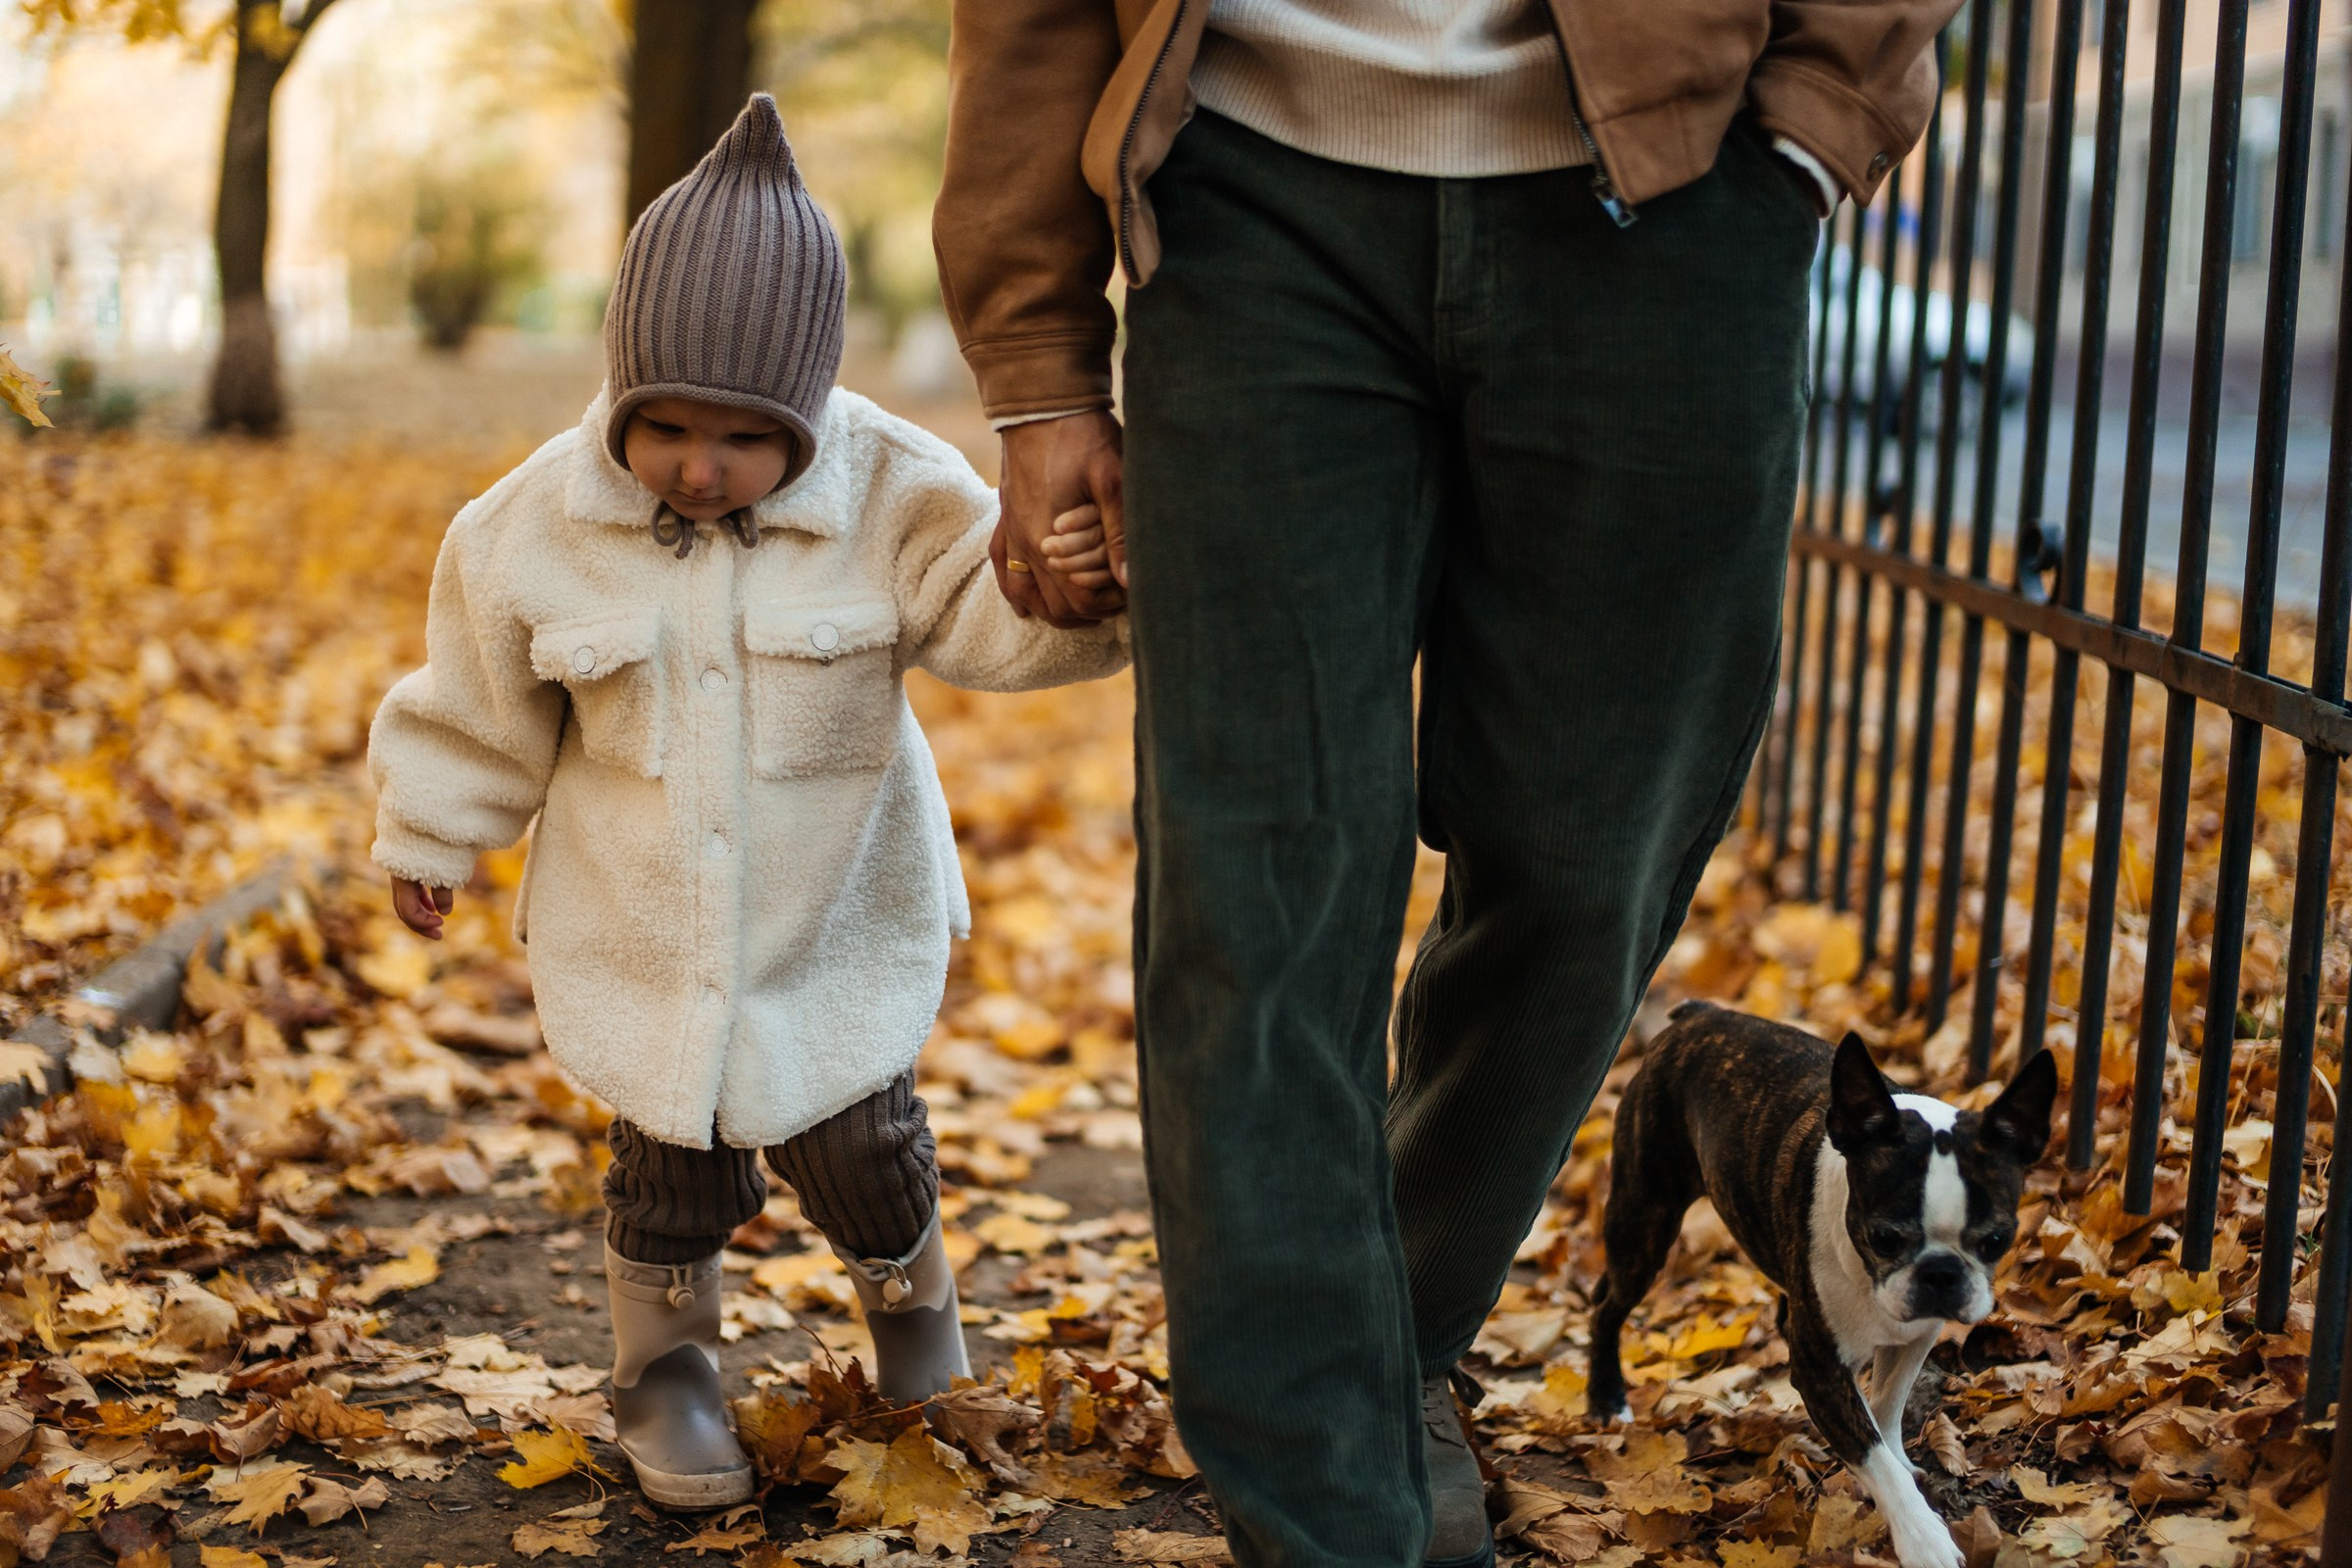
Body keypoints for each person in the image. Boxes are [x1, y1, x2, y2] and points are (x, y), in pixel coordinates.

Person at [934, 4, 1956, 1565]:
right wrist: (1038, 364)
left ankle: (1387, 1331)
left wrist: (1817, 119)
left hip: (1676, 207)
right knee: (1256, 895)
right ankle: (1326, 1496)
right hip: (1249, 202)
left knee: (1586, 869)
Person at [368, 96, 1124, 1511]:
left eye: (742, 439)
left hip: (829, 920)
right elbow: (478, 696)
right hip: (641, 929)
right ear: (619, 392)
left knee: (863, 1150)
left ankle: (919, 1331)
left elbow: (986, 613)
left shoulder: (894, 494)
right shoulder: (532, 527)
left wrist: (1072, 589)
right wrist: (434, 827)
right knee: (668, 1168)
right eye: (663, 428)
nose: (698, 468)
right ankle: (664, 1369)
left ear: (809, 415)